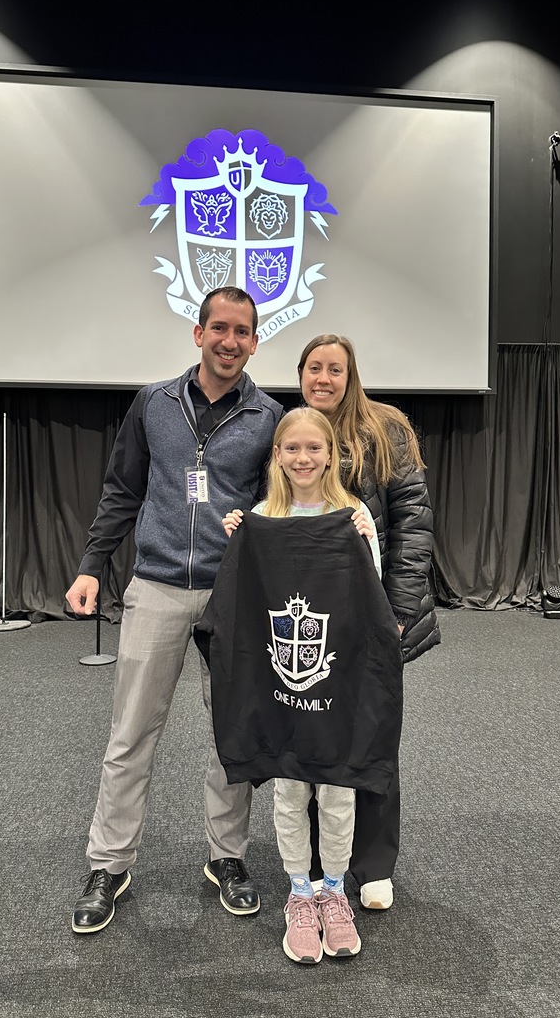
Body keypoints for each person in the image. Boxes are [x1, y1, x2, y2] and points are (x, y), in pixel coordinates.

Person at [66, 286, 283, 934]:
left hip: (232, 592)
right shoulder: (152, 403)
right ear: (198, 334)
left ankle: (228, 857)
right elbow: (121, 489)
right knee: (131, 735)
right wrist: (89, 566)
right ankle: (110, 864)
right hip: (157, 583)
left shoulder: (269, 415)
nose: (229, 341)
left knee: (231, 736)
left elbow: (277, 503)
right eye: (219, 328)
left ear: (253, 340)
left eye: (242, 331)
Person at [222, 407, 383, 964]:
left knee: (338, 789)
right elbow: (246, 599)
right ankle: (298, 892)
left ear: (331, 454)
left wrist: (367, 540)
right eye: (292, 448)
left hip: (338, 688)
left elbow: (372, 597)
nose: (304, 458)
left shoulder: (352, 511)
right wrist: (240, 540)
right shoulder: (264, 513)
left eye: (315, 448)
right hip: (281, 687)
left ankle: (334, 893)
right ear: (277, 456)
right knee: (290, 789)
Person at [298, 334, 440, 911]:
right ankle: (312, 860)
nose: (324, 378)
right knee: (309, 737)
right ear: (301, 373)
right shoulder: (294, 430)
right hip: (313, 620)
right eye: (314, 368)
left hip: (377, 617)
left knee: (373, 736)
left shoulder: (387, 430)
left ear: (351, 374)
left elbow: (415, 526)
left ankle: (373, 863)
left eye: (335, 369)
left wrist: (398, 614)